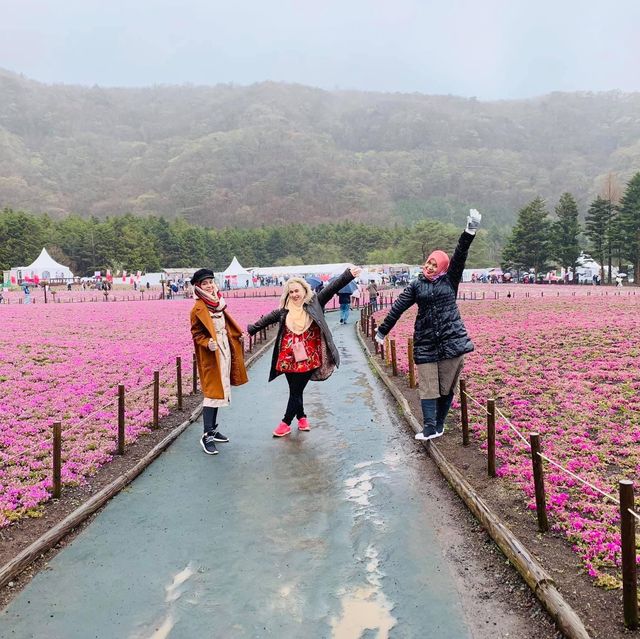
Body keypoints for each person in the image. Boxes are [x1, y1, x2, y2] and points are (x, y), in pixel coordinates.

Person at [375, 209, 482, 441]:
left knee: (446, 388)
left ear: (443, 267)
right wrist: (383, 330)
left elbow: (460, 254)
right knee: (428, 387)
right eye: (428, 263)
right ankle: (429, 427)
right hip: (425, 342)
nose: (430, 267)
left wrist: (469, 231)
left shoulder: (450, 280)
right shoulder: (416, 285)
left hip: (451, 341)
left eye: (435, 264)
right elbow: (398, 306)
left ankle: (439, 425)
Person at [247, 266, 361, 438]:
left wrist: (348, 275)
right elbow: (269, 318)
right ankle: (301, 417)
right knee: (295, 389)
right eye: (291, 292)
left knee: (296, 390)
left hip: (308, 356)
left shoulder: (315, 302)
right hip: (287, 356)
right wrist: (251, 329)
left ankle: (285, 422)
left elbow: (332, 288)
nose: (294, 294)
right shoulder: (285, 309)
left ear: (304, 290)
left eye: (297, 291)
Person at [190, 268, 248, 455]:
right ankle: (206, 435)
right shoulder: (197, 308)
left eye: (211, 281)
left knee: (220, 391)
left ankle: (213, 430)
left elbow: (226, 325)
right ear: (198, 287)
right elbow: (196, 334)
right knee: (212, 394)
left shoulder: (219, 303)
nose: (209, 285)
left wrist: (236, 336)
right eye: (204, 283)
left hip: (224, 350)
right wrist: (208, 343)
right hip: (212, 354)